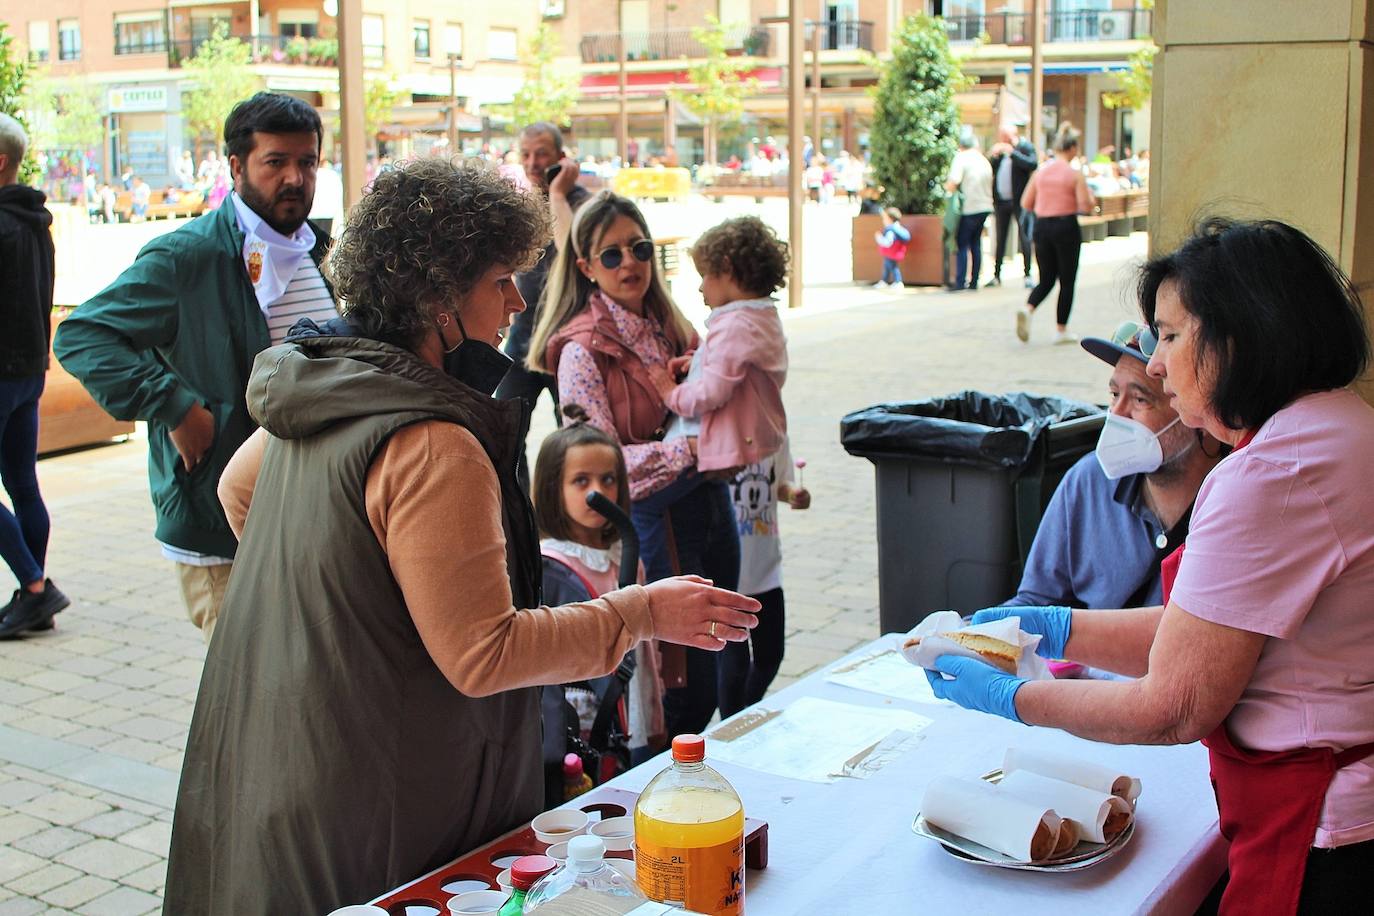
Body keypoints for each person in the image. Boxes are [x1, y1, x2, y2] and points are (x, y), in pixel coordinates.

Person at [162, 158, 759, 913]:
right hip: (377, 796)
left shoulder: (326, 383)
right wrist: (639, 613)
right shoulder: (436, 442)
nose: (514, 301)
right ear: (441, 297)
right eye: (499, 281)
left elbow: (237, 490)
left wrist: (343, 606)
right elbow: (485, 652)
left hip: (282, 760)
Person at [927, 218, 1374, 914]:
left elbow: (1175, 706)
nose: (1156, 364)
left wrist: (1011, 699)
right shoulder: (1339, 425)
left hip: (1324, 829)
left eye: (1168, 335)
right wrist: (1057, 628)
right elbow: (1206, 631)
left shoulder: (1268, 474)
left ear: (1240, 335)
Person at [54, 92, 338, 642]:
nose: (296, 178)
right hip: (220, 524)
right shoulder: (187, 256)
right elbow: (84, 335)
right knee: (245, 697)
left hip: (310, 513)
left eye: (307, 162)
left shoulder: (317, 251)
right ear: (236, 167)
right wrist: (175, 405)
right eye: (275, 162)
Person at [526, 190, 742, 737]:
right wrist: (685, 451)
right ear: (585, 267)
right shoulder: (581, 349)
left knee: (716, 666)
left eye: (640, 248)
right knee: (680, 687)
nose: (630, 264)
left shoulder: (673, 324)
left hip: (711, 506)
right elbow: (599, 465)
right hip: (650, 525)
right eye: (612, 255)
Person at [647, 215, 790, 716]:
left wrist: (672, 391)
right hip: (751, 448)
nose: (701, 288)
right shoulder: (761, 318)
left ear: (728, 270)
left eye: (706, 276)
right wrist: (697, 362)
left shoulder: (734, 323)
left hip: (718, 459)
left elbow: (713, 393)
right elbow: (728, 368)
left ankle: (731, 714)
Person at [1008, 320, 1222, 615]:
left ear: (1200, 414)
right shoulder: (1087, 482)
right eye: (1113, 395)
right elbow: (1036, 602)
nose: (1117, 414)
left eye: (1139, 399)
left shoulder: (1234, 503)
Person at [532, 405, 665, 785]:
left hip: (632, 710)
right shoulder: (551, 565)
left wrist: (654, 709)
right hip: (586, 733)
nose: (598, 493)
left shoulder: (624, 552)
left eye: (608, 480)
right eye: (581, 481)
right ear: (552, 486)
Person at [0, 113, 70, 639]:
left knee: (22, 483)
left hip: (4, 372)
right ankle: (33, 597)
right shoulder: (34, 220)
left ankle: (36, 586)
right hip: (29, 370)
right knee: (23, 482)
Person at [494, 122, 590, 462]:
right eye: (526, 154)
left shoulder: (582, 206)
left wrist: (559, 195)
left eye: (542, 154)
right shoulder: (522, 204)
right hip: (523, 341)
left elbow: (575, 252)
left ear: (562, 158)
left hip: (568, 343)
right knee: (503, 436)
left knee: (576, 440)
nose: (533, 162)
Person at [1017, 123, 1096, 344]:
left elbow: (1026, 202)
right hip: (1065, 226)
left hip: (1042, 228)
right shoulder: (1074, 174)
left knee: (1047, 278)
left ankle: (1028, 308)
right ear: (1072, 148)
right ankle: (1061, 330)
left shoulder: (1040, 173)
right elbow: (1085, 205)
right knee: (1067, 280)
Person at [987, 123, 1038, 288]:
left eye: (1005, 136)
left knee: (1024, 237)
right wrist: (994, 156)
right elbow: (992, 169)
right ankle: (996, 275)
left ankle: (1028, 274)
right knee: (1001, 238)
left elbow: (1032, 163)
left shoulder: (1024, 147)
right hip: (1002, 201)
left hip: (1020, 201)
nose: (1003, 140)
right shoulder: (1001, 153)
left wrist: (1013, 153)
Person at [945, 131, 994, 291]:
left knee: (962, 244)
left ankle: (960, 281)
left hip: (970, 207)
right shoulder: (983, 160)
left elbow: (953, 182)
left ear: (961, 146)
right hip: (985, 205)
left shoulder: (961, 158)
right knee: (976, 243)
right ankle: (974, 281)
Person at [873, 206, 910, 289]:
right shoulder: (897, 228)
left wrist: (879, 238)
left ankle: (898, 282)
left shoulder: (891, 230)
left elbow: (887, 242)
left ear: (890, 219)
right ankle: (884, 281)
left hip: (891, 253)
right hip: (892, 253)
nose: (883, 221)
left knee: (893, 267)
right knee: (887, 267)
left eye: (885, 218)